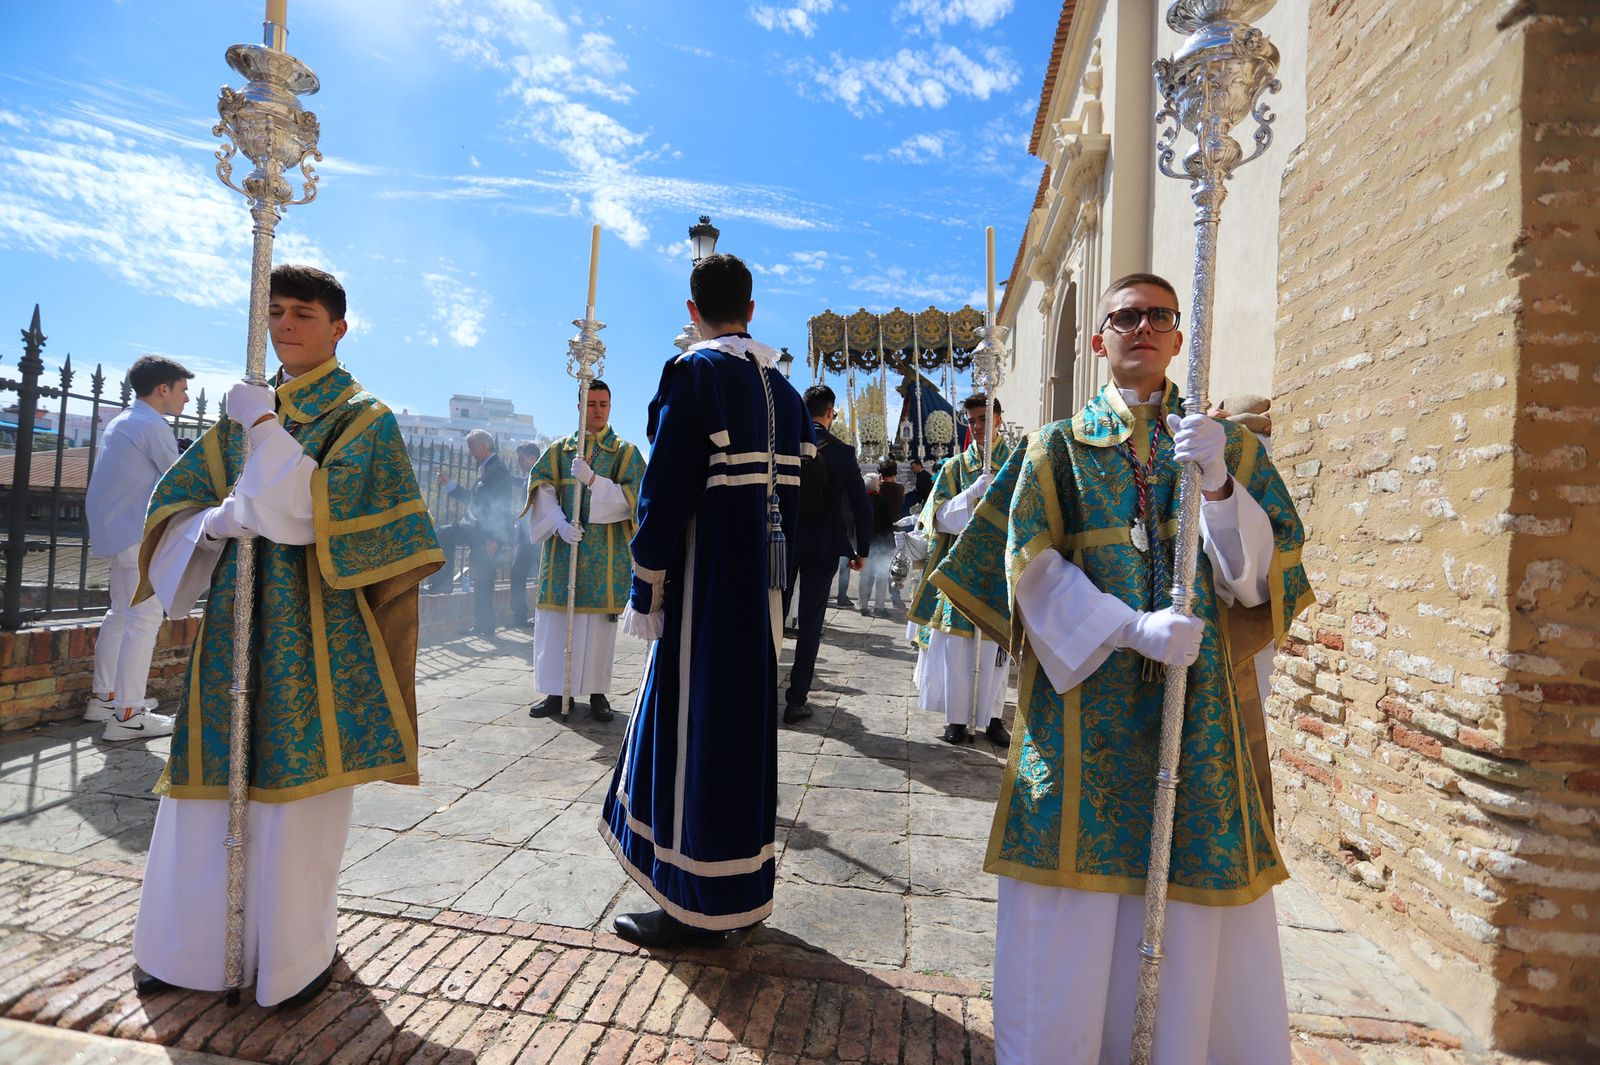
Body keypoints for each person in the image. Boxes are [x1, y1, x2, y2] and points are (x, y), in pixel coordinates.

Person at [931, 273, 1313, 1064]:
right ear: (1100, 338)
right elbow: (1027, 569)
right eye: (1124, 316)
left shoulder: (1233, 450)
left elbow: (1258, 583)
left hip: (1198, 725)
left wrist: (1219, 487)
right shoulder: (1058, 448)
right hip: (1082, 726)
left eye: (1158, 317)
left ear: (1179, 336)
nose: (1141, 327)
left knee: (1192, 923)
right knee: (1073, 922)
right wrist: (1131, 627)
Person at [130, 264, 444, 1008]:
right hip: (231, 636)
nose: (285, 325)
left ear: (338, 327)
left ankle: (294, 958)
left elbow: (325, 513)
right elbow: (175, 503)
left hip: (317, 637)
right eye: (275, 311)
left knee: (298, 799)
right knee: (204, 789)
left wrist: (266, 432)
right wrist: (214, 523)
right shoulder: (243, 410)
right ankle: (185, 949)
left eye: (303, 313)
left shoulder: (366, 418)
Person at [602, 253, 811, 947]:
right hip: (764, 591)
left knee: (691, 732)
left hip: (705, 588)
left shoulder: (695, 373)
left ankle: (693, 902)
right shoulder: (784, 391)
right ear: (750, 310)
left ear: (691, 314)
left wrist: (646, 586)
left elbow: (664, 495)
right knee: (744, 736)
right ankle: (741, 892)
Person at [522, 381, 644, 722]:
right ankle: (554, 692)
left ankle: (597, 693)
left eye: (604, 403)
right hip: (563, 554)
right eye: (591, 403)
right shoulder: (560, 450)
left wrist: (595, 482)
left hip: (605, 556)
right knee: (557, 624)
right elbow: (541, 488)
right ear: (579, 406)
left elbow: (636, 502)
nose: (598, 409)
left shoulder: (625, 452)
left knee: (597, 630)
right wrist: (559, 523)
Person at [84, 355, 192, 741]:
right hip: (136, 536)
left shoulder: (122, 422)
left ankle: (105, 698)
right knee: (143, 622)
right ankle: (127, 715)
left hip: (114, 533)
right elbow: (179, 478)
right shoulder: (152, 424)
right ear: (162, 389)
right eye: (182, 389)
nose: (186, 398)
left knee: (119, 615)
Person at [906, 392, 1015, 746]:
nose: (979, 426)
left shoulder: (1017, 464)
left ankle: (993, 717)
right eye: (972, 420)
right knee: (957, 647)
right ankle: (956, 719)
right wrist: (969, 496)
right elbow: (937, 519)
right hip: (961, 573)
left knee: (997, 649)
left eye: (985, 418)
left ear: (999, 419)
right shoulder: (954, 468)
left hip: (1000, 572)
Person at [783, 383, 871, 722]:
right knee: (810, 623)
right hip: (823, 546)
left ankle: (761, 693)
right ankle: (796, 699)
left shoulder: (784, 445)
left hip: (784, 543)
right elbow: (862, 507)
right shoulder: (843, 452)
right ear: (830, 413)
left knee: (774, 616)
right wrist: (861, 550)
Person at [429, 428, 516, 636]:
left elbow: (501, 506)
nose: (470, 452)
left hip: (486, 534)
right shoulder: (488, 468)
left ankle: (482, 623)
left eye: (471, 447)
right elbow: (476, 500)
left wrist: (493, 537)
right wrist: (449, 484)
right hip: (480, 530)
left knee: (483, 578)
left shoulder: (497, 470)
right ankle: (482, 624)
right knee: (480, 577)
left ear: (483, 447)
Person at [859, 459, 905, 618]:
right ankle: (880, 606)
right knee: (883, 573)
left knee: (866, 574)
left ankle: (863, 604)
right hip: (887, 537)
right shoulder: (899, 489)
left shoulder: (871, 493)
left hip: (868, 537)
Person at [507, 441, 542, 628]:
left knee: (542, 578)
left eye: (521, 459)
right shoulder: (527, 478)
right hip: (526, 540)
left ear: (532, 458)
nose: (519, 462)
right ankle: (520, 616)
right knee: (517, 574)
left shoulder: (541, 478)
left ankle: (541, 616)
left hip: (538, 538)